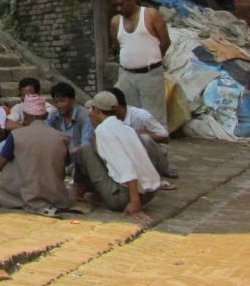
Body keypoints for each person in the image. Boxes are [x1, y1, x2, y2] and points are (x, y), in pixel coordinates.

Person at [75, 91, 162, 219]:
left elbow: (127, 167)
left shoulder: (104, 131)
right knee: (94, 151)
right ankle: (93, 192)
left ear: (97, 110)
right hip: (148, 194)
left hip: (126, 197)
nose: (90, 113)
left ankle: (79, 191)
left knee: (85, 150)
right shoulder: (126, 128)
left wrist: (135, 202)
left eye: (92, 110)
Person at [0, 94, 71, 216]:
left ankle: (27, 199)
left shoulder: (16, 135)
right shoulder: (61, 137)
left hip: (24, 193)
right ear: (46, 115)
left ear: (25, 115)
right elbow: (64, 164)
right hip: (55, 195)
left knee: (11, 159)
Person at [110, 0, 171, 127]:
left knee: (155, 118)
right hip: (126, 75)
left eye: (121, 4)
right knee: (131, 116)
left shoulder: (150, 15)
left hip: (150, 74)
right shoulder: (115, 22)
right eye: (116, 6)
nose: (119, 9)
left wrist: (152, 60)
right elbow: (118, 46)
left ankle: (159, 142)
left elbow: (165, 42)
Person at [107, 86, 175, 178]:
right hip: (131, 159)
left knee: (144, 138)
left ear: (116, 106)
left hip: (154, 158)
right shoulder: (108, 119)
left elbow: (165, 137)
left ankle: (153, 173)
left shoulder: (141, 116)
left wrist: (135, 135)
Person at [46, 81, 93, 166]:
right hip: (62, 162)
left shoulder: (84, 116)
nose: (59, 105)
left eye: (62, 101)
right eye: (56, 102)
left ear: (72, 100)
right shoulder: (53, 116)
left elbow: (86, 145)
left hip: (81, 163)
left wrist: (68, 153)